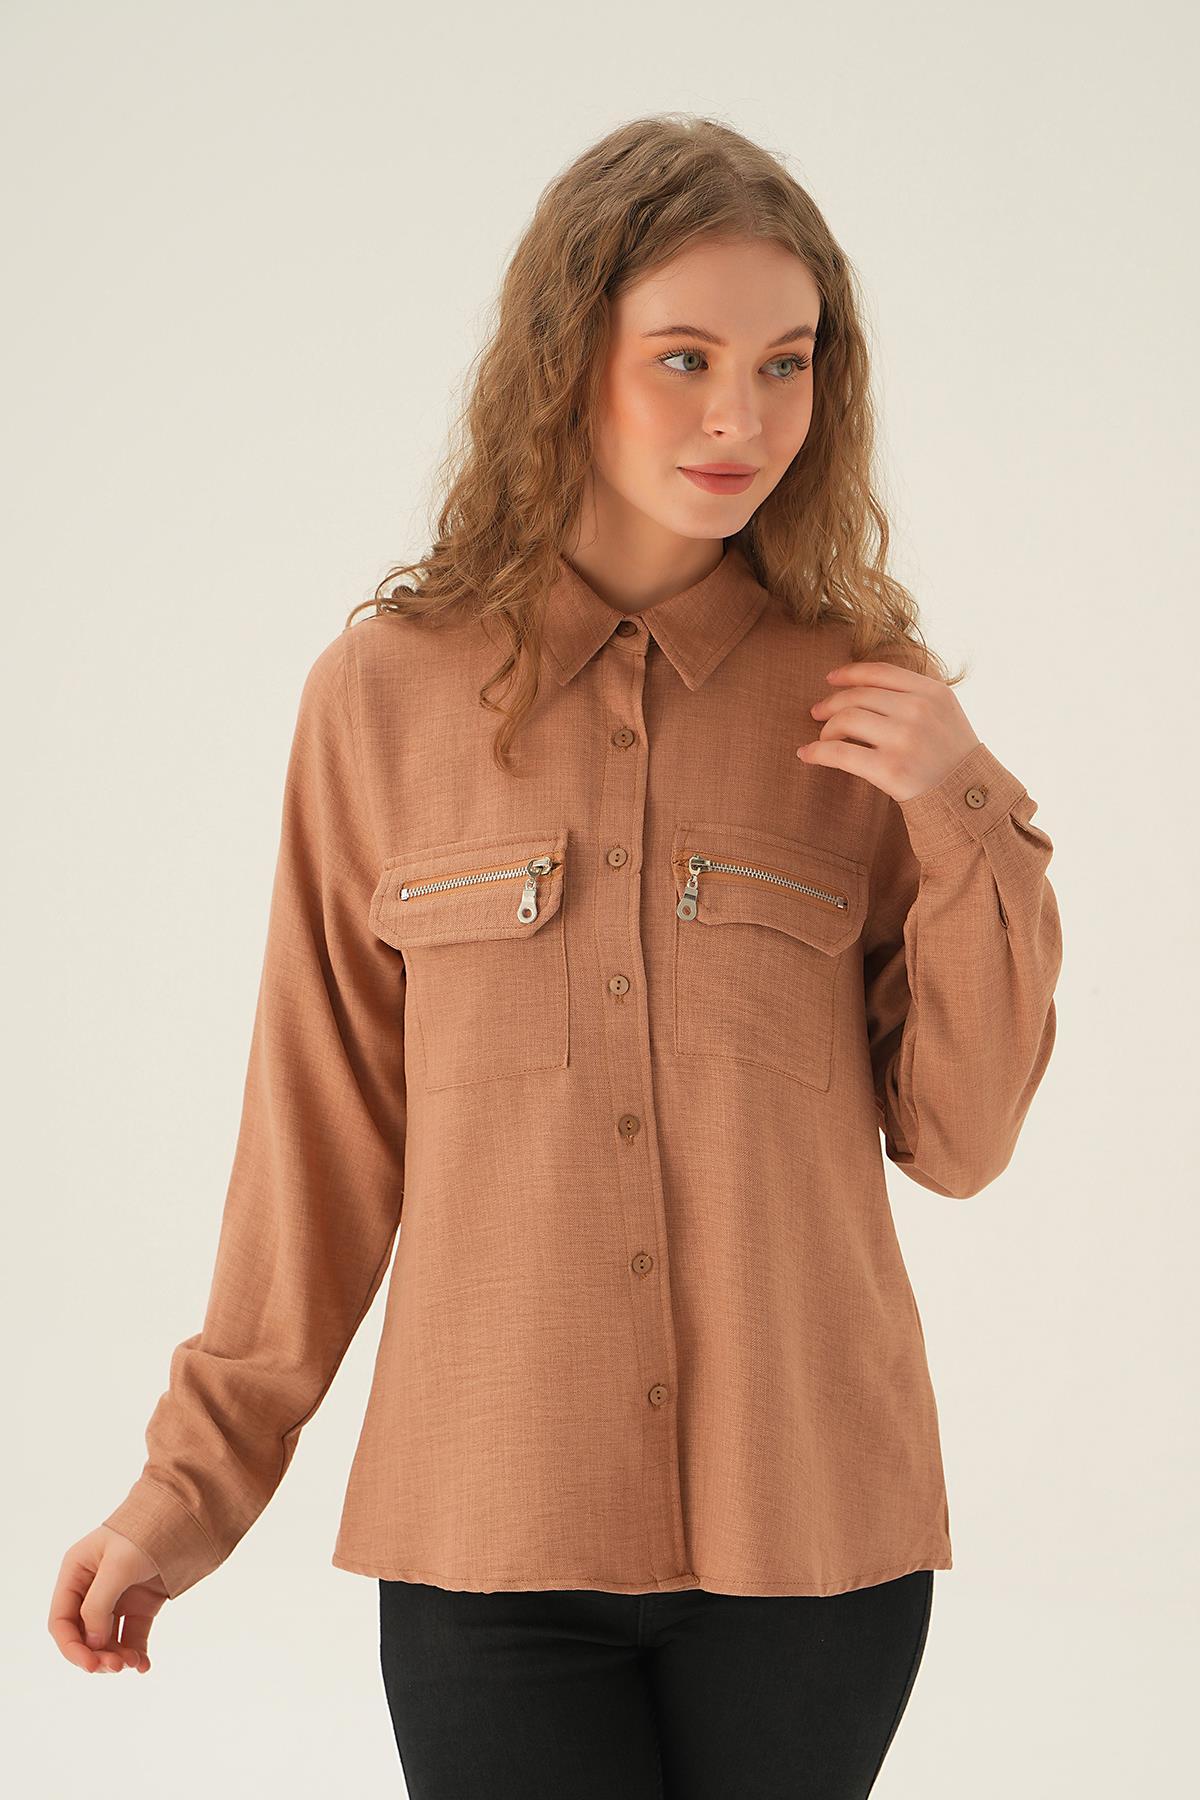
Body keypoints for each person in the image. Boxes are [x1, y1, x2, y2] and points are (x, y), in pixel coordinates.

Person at [49, 114, 1062, 1798]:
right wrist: (186, 1493)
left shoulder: (869, 707)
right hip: (488, 1538)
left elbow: (959, 1143)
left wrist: (966, 811)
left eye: (787, 363)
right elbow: (318, 1142)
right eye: (685, 358)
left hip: (814, 1546)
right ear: (565, 360)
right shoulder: (380, 700)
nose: (743, 417)